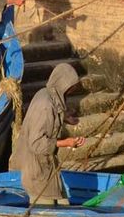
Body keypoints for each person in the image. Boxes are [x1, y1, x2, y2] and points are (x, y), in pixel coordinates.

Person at [12, 62, 85, 204]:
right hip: (36, 170)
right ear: (63, 84)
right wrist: (66, 142)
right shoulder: (45, 105)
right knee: (46, 207)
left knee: (63, 201)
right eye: (70, 87)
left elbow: (50, 118)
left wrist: (65, 118)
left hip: (47, 165)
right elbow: (37, 144)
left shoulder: (46, 93)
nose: (72, 90)